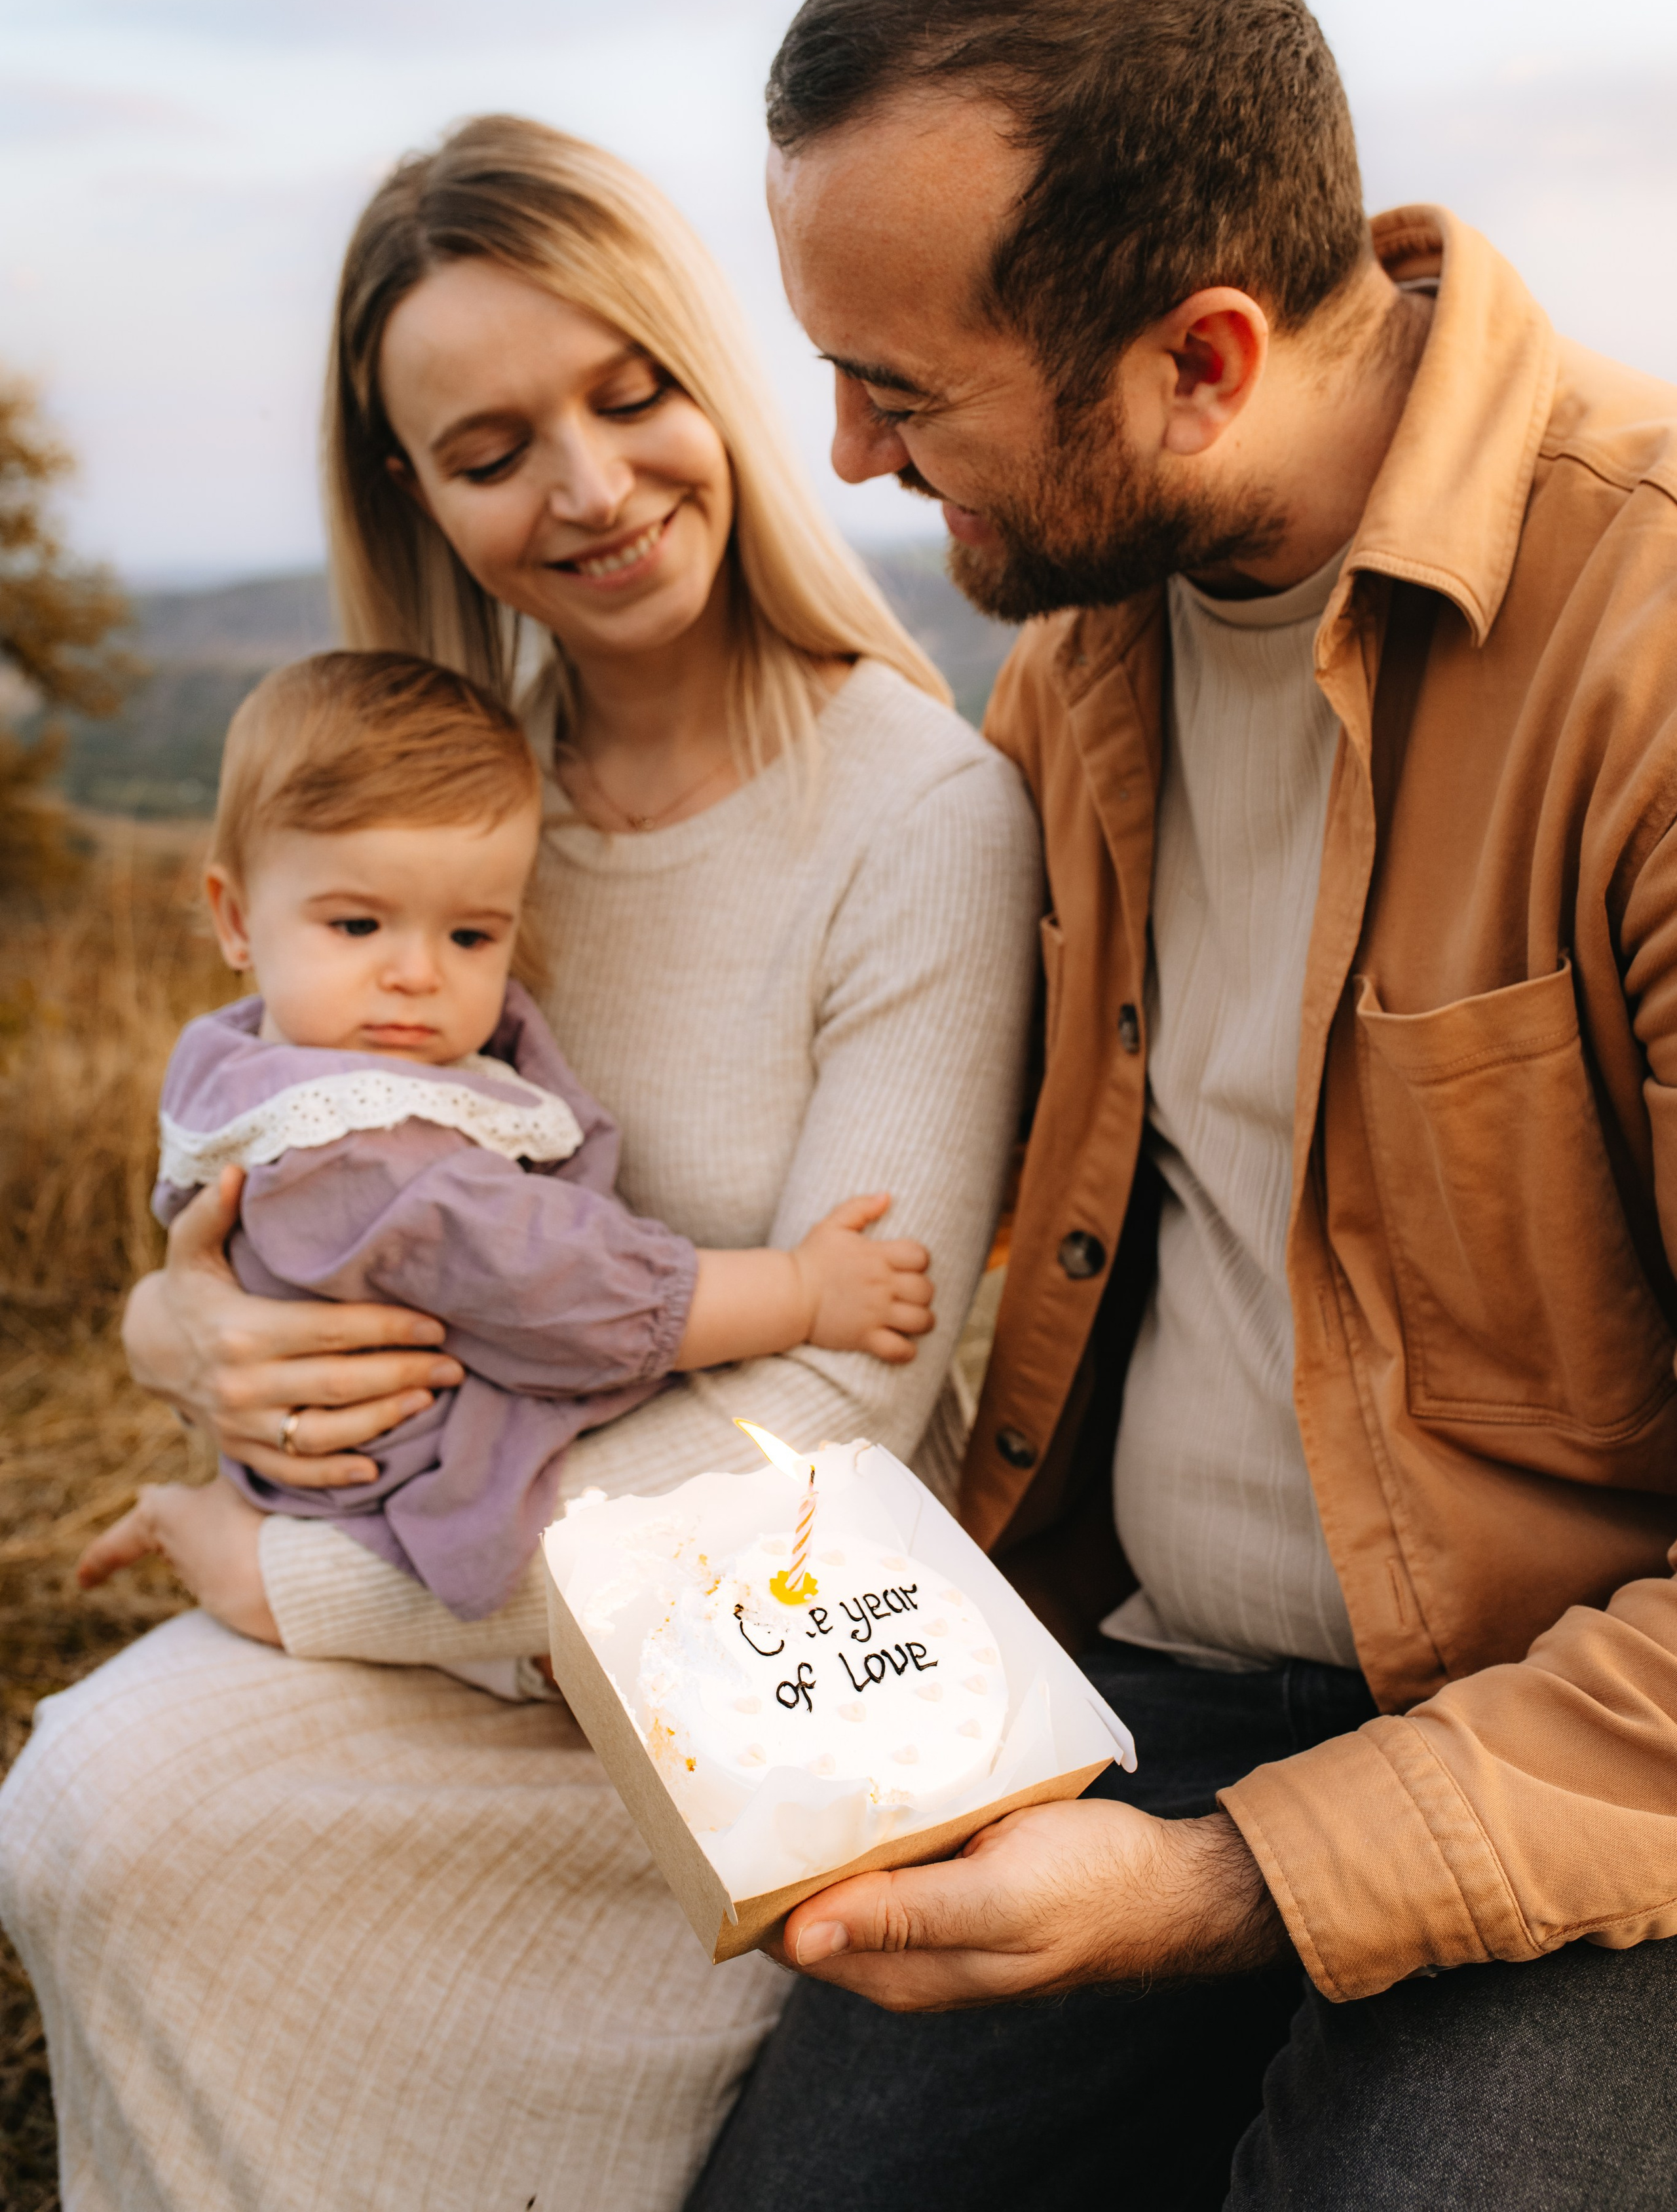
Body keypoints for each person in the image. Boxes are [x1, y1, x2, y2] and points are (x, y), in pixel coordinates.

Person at [688, 0, 1677, 2211]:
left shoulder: (1645, 662)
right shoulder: (1077, 667)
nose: (840, 454)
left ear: (1201, 362)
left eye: (901, 388)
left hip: (1575, 1757)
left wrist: (1218, 1884)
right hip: (1132, 1686)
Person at [0, 115, 1041, 2211]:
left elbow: (846, 1403)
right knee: (91, 1803)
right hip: (469, 1585)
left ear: (709, 371)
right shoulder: (445, 816)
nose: (585, 485)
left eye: (627, 391)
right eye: (488, 451)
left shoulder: (916, 811)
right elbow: (286, 1150)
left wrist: (306, 1584)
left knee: (125, 1794)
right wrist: (178, 1317)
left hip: (735, 1660)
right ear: (416, 496)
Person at [79, 647, 935, 1627]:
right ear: (235, 919)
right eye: (357, 926)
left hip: (331, 1459)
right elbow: (571, 1285)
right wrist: (802, 1294)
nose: (416, 972)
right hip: (401, 1491)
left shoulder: (247, 1055)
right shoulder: (365, 1151)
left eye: (471, 936)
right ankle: (509, 1663)